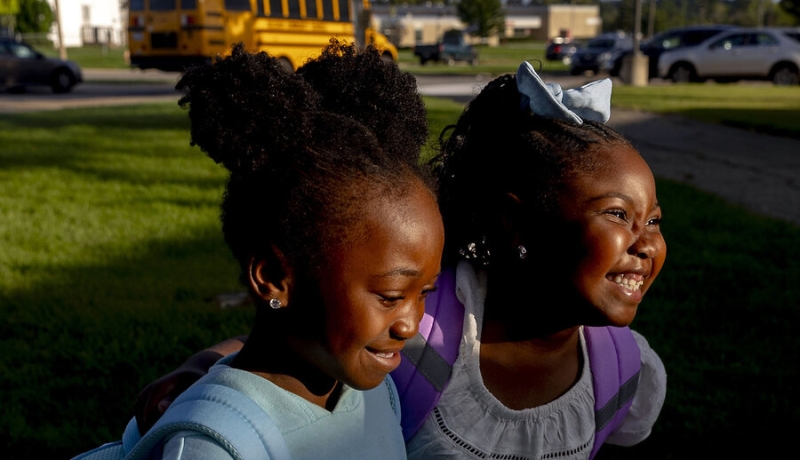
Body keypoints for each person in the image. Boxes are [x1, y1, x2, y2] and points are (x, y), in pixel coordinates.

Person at [134, 61, 667, 460]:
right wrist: (202, 367)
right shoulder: (421, 350)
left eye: (655, 220)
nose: (645, 241)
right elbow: (299, 337)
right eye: (619, 215)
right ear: (515, 224)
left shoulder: (620, 369)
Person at [77, 41, 445, 460]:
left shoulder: (370, 392)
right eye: (391, 297)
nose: (411, 325)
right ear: (273, 277)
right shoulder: (214, 447)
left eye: (425, 293)